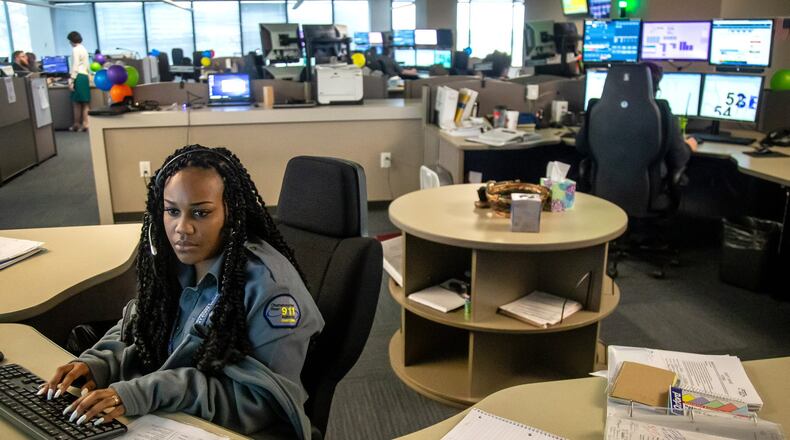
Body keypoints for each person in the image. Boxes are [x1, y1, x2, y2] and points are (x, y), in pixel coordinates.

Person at [39, 146, 325, 438]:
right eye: (172, 211)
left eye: (201, 213)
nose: (182, 228)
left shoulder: (270, 290)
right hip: (170, 416)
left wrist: (145, 392)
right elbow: (140, 325)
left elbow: (262, 404)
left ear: (232, 213)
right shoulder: (175, 263)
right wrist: (96, 363)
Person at [575, 62, 698, 185]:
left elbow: (581, 146)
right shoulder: (663, 115)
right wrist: (688, 146)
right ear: (653, 88)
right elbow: (678, 159)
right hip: (647, 192)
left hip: (601, 187)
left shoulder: (597, 111)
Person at [67, 31, 91, 132]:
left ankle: (76, 124)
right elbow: (87, 65)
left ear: (71, 40)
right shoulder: (84, 49)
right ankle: (86, 124)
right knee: (85, 103)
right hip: (84, 76)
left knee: (76, 103)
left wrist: (71, 80)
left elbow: (75, 65)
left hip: (78, 76)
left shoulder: (75, 49)